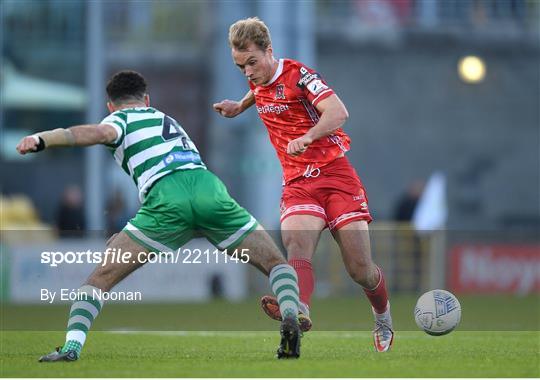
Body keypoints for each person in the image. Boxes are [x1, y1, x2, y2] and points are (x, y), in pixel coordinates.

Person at [17, 70, 302, 361]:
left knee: (99, 278)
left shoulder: (118, 120)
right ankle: (291, 313)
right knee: (275, 262)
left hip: (166, 198)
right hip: (208, 187)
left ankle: (71, 348)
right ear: (147, 99)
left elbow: (94, 134)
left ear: (110, 106)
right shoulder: (165, 119)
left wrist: (43, 139)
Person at [213, 17, 394, 352]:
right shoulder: (257, 80)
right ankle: (298, 310)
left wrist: (308, 136)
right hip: (297, 182)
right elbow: (259, 90)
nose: (248, 72)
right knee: (297, 245)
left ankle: (382, 316)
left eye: (252, 62)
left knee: (360, 270)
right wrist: (239, 106)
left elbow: (338, 112)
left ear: (270, 50)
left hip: (335, 176)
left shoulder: (300, 75)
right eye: (241, 67)